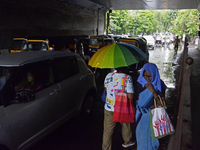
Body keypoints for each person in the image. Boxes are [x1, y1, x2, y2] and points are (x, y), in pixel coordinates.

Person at [135, 63, 167, 150]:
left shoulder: (159, 84)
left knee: (152, 139)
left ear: (155, 74)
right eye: (145, 76)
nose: (147, 79)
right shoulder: (140, 84)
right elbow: (139, 101)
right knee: (141, 138)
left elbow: (162, 103)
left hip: (154, 116)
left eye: (150, 76)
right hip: (142, 116)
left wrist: (153, 92)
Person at [102, 67, 135, 150]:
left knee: (107, 131)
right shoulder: (127, 78)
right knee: (126, 124)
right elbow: (130, 97)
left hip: (109, 107)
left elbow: (106, 89)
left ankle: (106, 148)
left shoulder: (108, 76)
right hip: (122, 108)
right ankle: (127, 141)